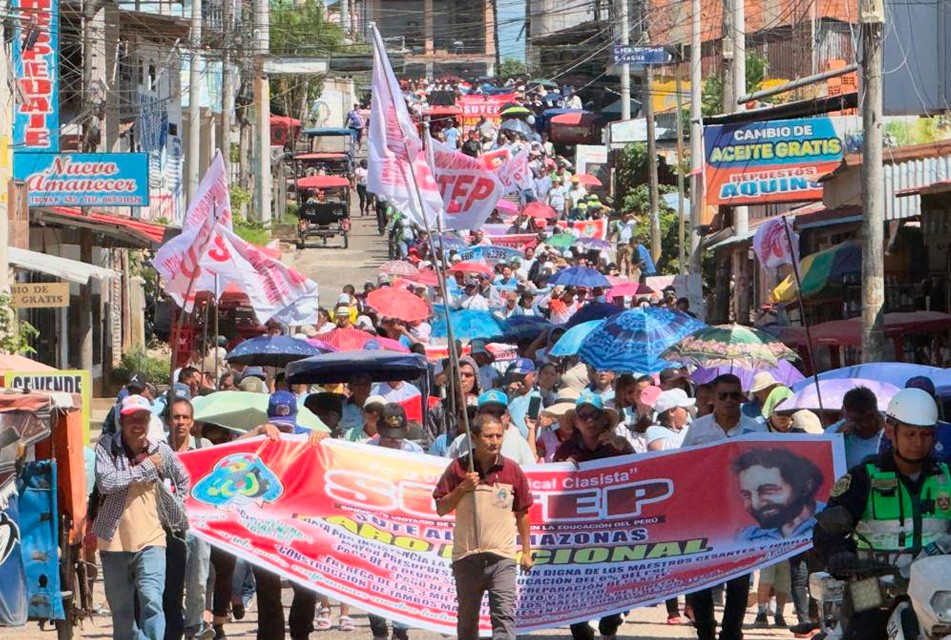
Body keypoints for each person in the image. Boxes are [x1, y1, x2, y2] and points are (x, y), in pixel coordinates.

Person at [813, 388, 951, 640]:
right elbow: (826, 529)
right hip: (874, 583)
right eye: (910, 434)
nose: (918, 442)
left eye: (925, 434)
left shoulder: (947, 477)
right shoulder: (863, 477)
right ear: (890, 431)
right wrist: (838, 554)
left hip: (937, 589)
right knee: (862, 630)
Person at [94, 394, 190, 640]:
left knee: (152, 604)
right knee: (122, 613)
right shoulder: (106, 447)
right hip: (113, 542)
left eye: (143, 418)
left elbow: (183, 478)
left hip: (152, 539)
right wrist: (146, 468)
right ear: (121, 420)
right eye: (131, 419)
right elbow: (107, 482)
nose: (137, 424)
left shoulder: (160, 449)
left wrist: (175, 506)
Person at [433, 414, 533, 640]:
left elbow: (523, 512)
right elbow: (440, 507)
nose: (494, 441)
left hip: (502, 557)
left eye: (499, 436)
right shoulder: (458, 468)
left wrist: (526, 552)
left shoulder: (512, 470)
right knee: (467, 623)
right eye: (488, 436)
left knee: (504, 618)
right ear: (475, 438)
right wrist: (463, 488)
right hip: (467, 558)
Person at [680, 374, 763, 640]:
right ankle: (705, 630)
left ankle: (731, 631)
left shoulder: (756, 429)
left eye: (734, 395)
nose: (729, 400)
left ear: (742, 397)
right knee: (702, 575)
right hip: (705, 515)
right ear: (712, 399)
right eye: (723, 395)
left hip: (743, 514)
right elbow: (682, 466)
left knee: (739, 577)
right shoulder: (698, 429)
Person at [553, 391, 631, 640]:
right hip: (578, 525)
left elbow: (640, 475)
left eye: (594, 415)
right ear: (575, 421)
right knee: (576, 578)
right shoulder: (565, 449)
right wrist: (564, 468)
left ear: (603, 420)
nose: (589, 420)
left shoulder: (619, 447)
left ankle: (612, 616)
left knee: (614, 576)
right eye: (583, 415)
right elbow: (552, 481)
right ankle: (579, 624)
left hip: (614, 523)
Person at [732, 448, 825, 628]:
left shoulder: (827, 521)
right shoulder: (749, 534)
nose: (756, 504)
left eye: (768, 490)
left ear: (805, 485)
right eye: (747, 494)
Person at [162, 397, 214, 640]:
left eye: (185, 417)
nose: (180, 422)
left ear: (192, 422)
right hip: (165, 526)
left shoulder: (205, 446)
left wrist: (259, 430)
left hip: (197, 527)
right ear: (167, 420)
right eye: (175, 417)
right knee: (167, 585)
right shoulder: (158, 449)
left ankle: (193, 628)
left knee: (197, 583)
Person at [447, 390, 536, 466]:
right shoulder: (460, 442)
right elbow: (446, 474)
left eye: (499, 413)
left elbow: (531, 475)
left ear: (507, 416)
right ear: (477, 415)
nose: (494, 417)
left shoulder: (519, 443)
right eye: (488, 413)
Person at [824, 386, 885, 469]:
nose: (864, 424)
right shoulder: (832, 433)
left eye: (869, 418)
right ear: (845, 414)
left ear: (876, 410)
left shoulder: (893, 430)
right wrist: (836, 441)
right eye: (857, 420)